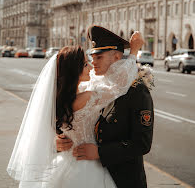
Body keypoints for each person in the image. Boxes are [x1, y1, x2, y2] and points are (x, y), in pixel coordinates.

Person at [7, 28, 144, 188]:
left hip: (66, 163)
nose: (91, 67)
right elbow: (117, 85)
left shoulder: (60, 98)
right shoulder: (86, 97)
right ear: (75, 71)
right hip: (87, 166)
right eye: (86, 64)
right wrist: (133, 52)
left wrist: (55, 141)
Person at [58, 25, 154, 188]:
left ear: (116, 57)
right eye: (92, 57)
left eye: (99, 57)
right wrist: (61, 140)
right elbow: (69, 118)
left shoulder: (135, 89)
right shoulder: (89, 85)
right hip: (84, 174)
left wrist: (100, 153)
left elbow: (142, 143)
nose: (93, 62)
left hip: (123, 179)